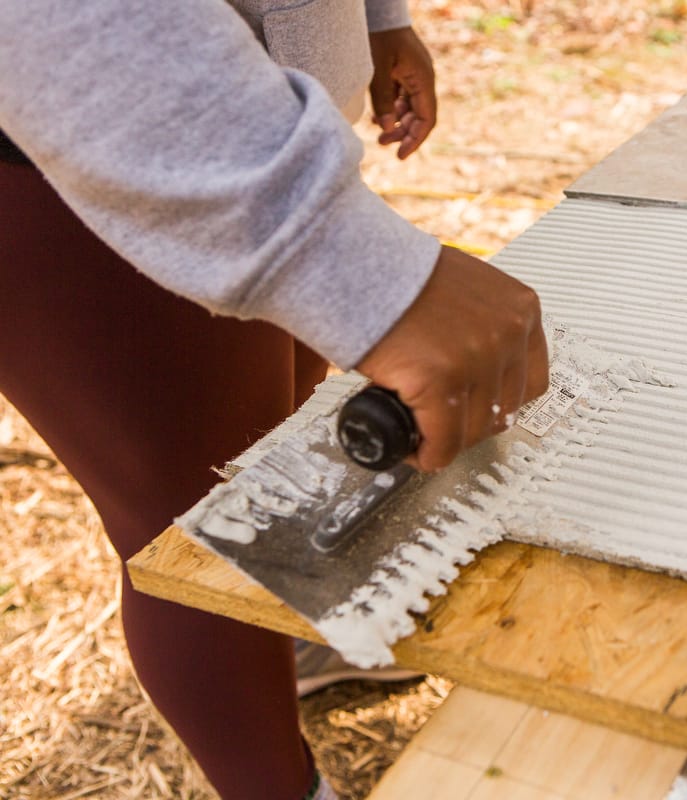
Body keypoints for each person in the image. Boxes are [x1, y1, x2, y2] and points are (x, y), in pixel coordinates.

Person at [0, 1, 550, 798]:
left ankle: (283, 642)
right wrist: (331, 249)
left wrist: (372, 17)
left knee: (271, 438)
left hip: (236, 103)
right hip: (75, 145)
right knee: (201, 532)